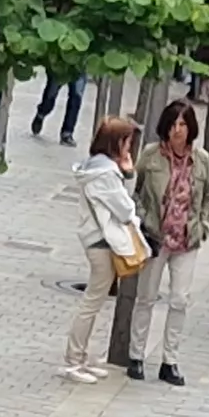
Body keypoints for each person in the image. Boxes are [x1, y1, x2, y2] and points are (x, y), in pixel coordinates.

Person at [133, 101, 209, 387]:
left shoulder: (201, 158)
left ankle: (170, 360)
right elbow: (137, 190)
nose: (177, 131)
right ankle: (136, 356)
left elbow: (208, 195)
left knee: (179, 299)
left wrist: (203, 225)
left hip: (186, 239)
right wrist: (144, 219)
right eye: (172, 125)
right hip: (156, 237)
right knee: (146, 296)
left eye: (182, 125)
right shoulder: (152, 155)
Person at [63, 115, 145, 383]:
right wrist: (128, 174)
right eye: (128, 142)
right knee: (92, 302)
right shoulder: (106, 173)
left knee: (93, 301)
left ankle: (81, 357)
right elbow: (125, 209)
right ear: (118, 142)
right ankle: (74, 360)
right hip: (102, 242)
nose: (130, 148)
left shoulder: (94, 167)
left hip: (95, 239)